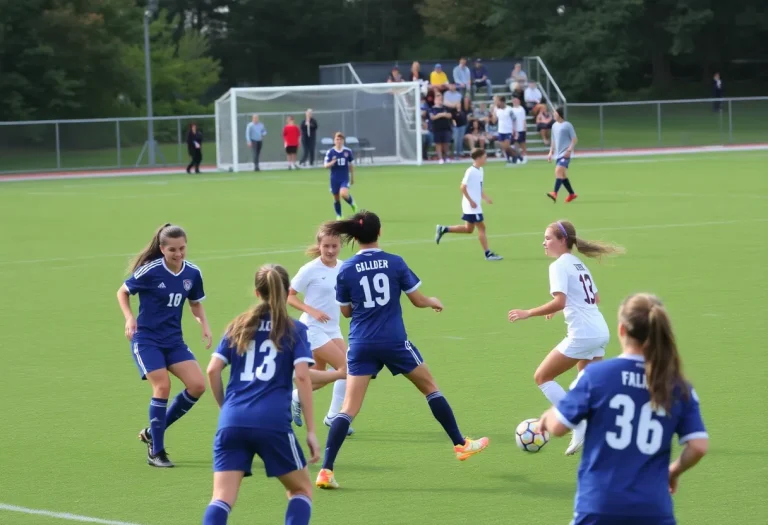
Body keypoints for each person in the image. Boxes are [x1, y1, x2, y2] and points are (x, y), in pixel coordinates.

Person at [315, 210, 490, 490]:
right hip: (394, 342)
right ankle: (460, 444)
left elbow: (346, 312)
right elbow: (418, 300)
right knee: (430, 387)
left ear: (355, 238)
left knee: (348, 409)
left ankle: (326, 470)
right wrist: (434, 300)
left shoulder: (345, 269)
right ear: (380, 232)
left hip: (360, 344)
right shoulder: (395, 263)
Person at [538, 293, 709, 525]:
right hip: (654, 510)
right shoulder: (677, 385)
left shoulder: (596, 376)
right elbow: (698, 446)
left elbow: (558, 427)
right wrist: (673, 472)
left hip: (599, 507)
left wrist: (547, 418)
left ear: (621, 331)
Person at [203, 264, 319, 525]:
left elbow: (212, 370)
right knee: (300, 490)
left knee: (222, 498)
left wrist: (226, 408)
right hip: (272, 422)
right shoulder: (294, 330)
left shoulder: (238, 326)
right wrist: (311, 430)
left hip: (232, 420)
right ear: (287, 291)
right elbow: (302, 377)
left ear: (257, 293)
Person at [507, 220, 624, 455]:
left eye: (548, 238)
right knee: (585, 386)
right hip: (600, 331)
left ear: (562, 241)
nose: (544, 242)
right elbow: (594, 299)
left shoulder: (559, 265)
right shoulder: (578, 264)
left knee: (542, 376)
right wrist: (557, 309)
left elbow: (561, 299)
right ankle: (603, 429)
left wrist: (528, 313)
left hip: (583, 334)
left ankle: (576, 421)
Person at [116, 223, 211, 468]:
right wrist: (129, 317)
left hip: (174, 341)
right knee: (163, 386)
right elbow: (123, 292)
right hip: (147, 340)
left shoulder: (192, 273)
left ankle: (152, 431)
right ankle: (156, 451)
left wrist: (204, 325)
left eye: (182, 249)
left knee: (198, 386)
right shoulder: (150, 271)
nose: (178, 254)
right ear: (162, 249)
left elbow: (195, 303)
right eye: (172, 250)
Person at [288, 224, 355, 436]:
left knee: (320, 374)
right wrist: (311, 310)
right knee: (347, 368)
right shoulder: (310, 269)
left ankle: (295, 396)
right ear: (319, 245)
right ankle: (335, 416)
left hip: (332, 328)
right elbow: (289, 296)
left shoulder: (344, 268)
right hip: (311, 327)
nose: (330, 250)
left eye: (334, 246)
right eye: (326, 246)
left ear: (340, 246)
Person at [434, 148, 502, 261]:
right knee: (482, 227)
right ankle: (488, 254)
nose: (486, 160)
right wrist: (471, 201)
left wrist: (485, 198)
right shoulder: (470, 171)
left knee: (469, 229)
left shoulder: (480, 170)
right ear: (479, 158)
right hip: (471, 206)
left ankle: (443, 229)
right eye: (485, 157)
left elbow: (479, 188)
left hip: (475, 205)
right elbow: (462, 187)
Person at [547, 107, 578, 203]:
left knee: (558, 171)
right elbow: (553, 140)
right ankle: (572, 194)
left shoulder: (567, 125)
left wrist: (569, 150)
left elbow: (574, 139)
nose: (553, 115)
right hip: (558, 154)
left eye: (555, 114)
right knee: (563, 175)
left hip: (566, 154)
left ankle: (555, 193)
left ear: (559, 114)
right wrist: (550, 152)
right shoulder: (554, 126)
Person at [324, 132, 357, 220]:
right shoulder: (330, 152)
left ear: (343, 141)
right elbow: (325, 166)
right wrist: (332, 162)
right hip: (334, 178)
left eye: (340, 139)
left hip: (344, 177)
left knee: (343, 194)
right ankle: (339, 215)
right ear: (334, 141)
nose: (339, 141)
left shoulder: (347, 151)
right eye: (337, 139)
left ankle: (352, 203)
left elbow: (351, 165)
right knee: (336, 198)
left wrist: (352, 177)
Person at [491, 96, 522, 166]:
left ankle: (514, 157)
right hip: (501, 131)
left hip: (508, 130)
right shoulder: (497, 109)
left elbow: (514, 119)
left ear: (502, 102)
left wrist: (515, 130)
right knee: (504, 147)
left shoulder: (509, 109)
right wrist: (493, 112)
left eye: (497, 101)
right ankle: (515, 156)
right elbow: (494, 121)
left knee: (506, 146)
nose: (496, 103)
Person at [429, 92, 454, 164]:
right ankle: (440, 158)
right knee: (438, 144)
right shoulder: (432, 109)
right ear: (435, 100)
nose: (439, 100)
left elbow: (449, 115)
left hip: (446, 128)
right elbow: (433, 117)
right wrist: (441, 114)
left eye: (440, 98)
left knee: (446, 143)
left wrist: (440, 115)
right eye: (437, 98)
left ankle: (446, 157)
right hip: (437, 129)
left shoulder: (445, 107)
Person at [510, 97, 528, 163]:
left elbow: (523, 119)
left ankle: (525, 156)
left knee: (522, 143)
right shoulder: (511, 109)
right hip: (515, 129)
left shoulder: (521, 109)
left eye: (516, 100)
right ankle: (518, 157)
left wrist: (524, 127)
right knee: (515, 144)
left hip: (521, 128)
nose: (515, 101)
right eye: (514, 100)